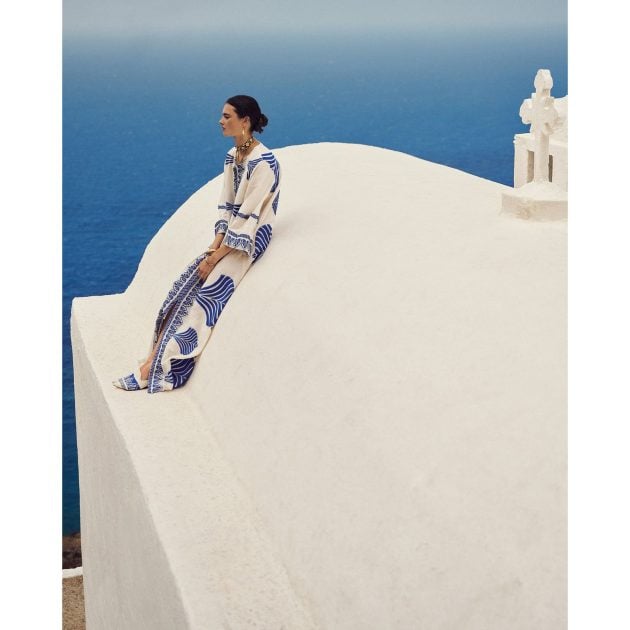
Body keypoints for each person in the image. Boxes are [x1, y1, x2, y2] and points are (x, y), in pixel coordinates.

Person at [113, 95, 281, 393]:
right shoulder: (234, 156)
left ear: (246, 121)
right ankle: (151, 363)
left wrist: (215, 259)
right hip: (228, 240)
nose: (220, 120)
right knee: (180, 292)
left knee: (202, 302)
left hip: (248, 242)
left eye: (227, 116)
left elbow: (247, 218)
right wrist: (212, 248)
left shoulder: (264, 163)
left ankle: (154, 370)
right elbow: (226, 207)